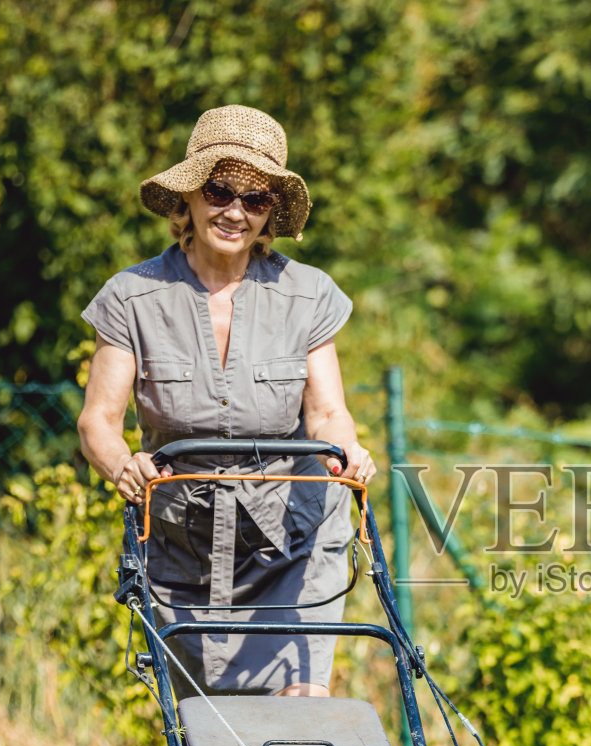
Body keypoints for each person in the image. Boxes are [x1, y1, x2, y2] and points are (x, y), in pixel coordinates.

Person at [77, 104, 376, 698]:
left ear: (270, 216)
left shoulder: (307, 294)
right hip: (183, 546)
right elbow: (99, 421)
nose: (235, 211)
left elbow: (327, 413)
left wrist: (348, 450)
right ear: (189, 195)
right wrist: (122, 465)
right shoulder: (133, 297)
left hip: (291, 542)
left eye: (256, 199)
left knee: (299, 712)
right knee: (206, 739)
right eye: (219, 191)